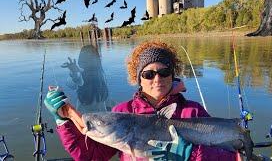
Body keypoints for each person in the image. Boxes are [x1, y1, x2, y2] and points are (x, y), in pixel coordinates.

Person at [44, 40, 238, 161]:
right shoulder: (122, 112)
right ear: (138, 79)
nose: (157, 79)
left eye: (164, 72)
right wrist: (63, 121)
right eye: (148, 74)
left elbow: (232, 157)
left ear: (173, 74)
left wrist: (193, 156)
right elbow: (89, 157)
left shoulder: (193, 112)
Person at [61, 45, 111, 113]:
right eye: (84, 57)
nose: (87, 60)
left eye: (90, 57)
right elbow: (72, 84)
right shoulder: (79, 72)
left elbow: (106, 96)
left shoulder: (100, 74)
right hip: (84, 116)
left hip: (101, 115)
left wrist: (109, 110)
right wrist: (74, 73)